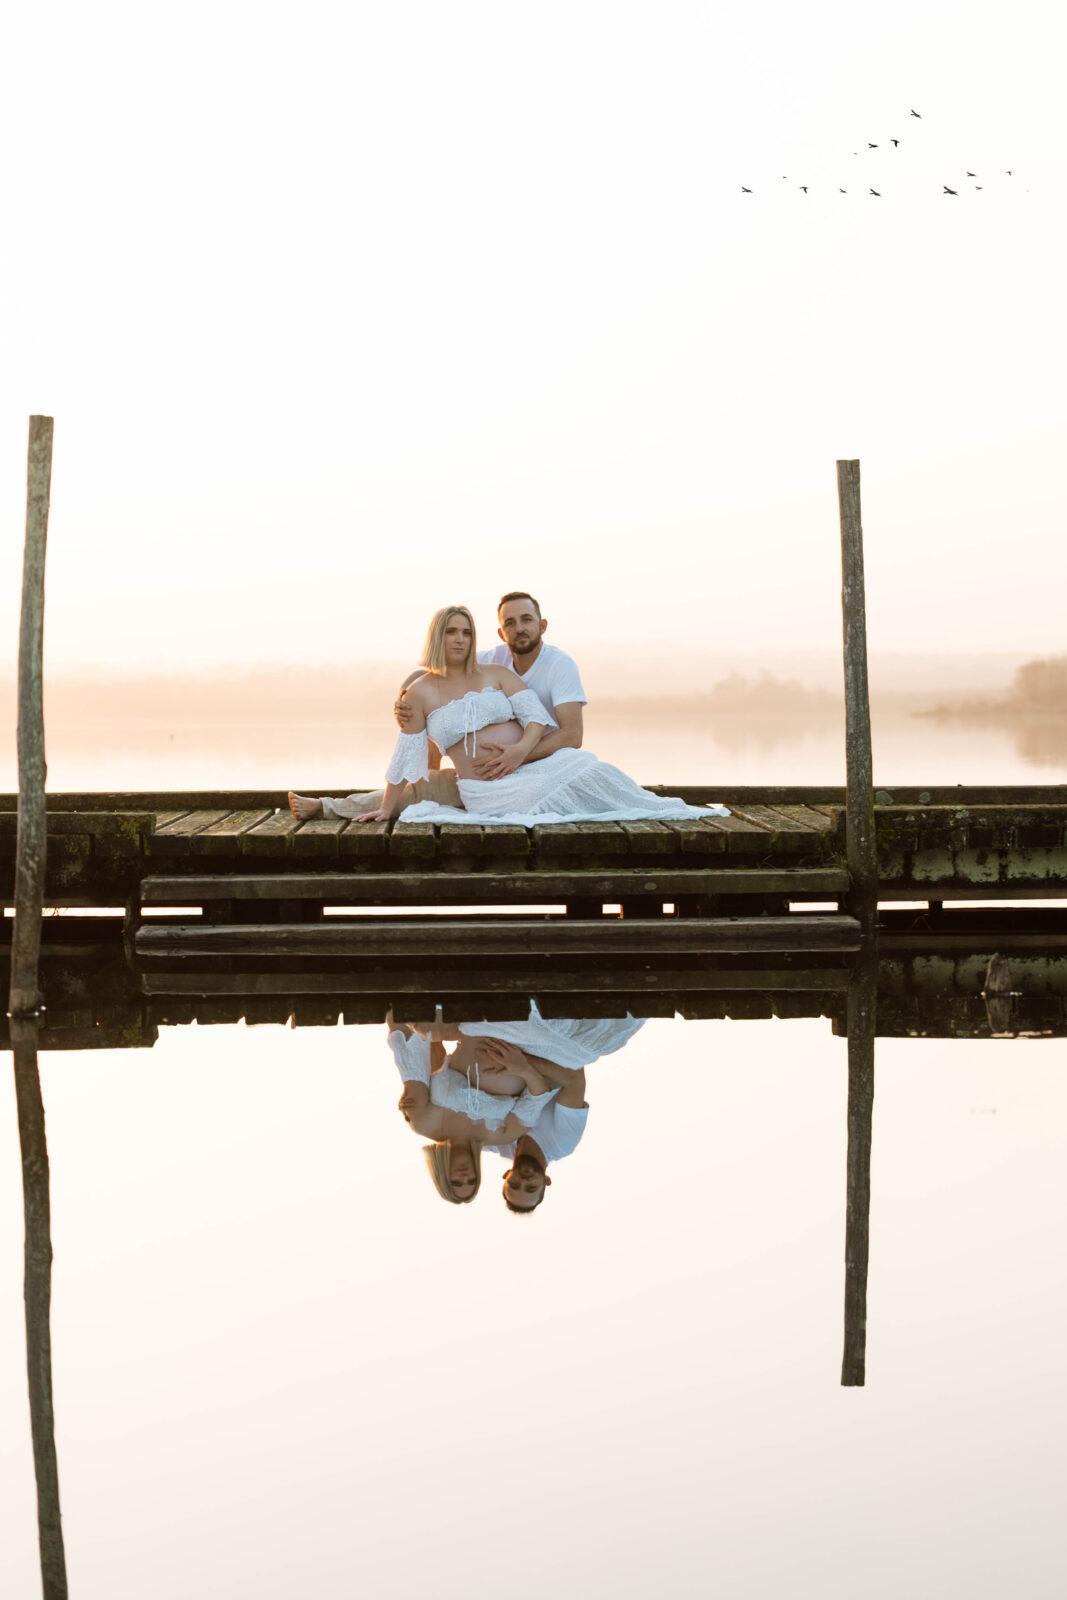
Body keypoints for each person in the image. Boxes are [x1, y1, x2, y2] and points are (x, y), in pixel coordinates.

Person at [348, 604, 729, 826]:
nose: (460, 639)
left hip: (530, 764)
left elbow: (537, 719)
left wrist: (520, 752)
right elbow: (405, 756)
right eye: (451, 632)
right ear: (437, 638)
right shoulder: (420, 692)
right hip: (490, 789)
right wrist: (386, 808)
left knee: (590, 766)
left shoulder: (496, 673)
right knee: (555, 788)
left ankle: (659, 810)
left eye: (466, 632)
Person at [288, 590, 586, 821]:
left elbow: (571, 736)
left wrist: (515, 756)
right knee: (418, 789)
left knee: (425, 789)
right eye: (510, 622)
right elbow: (441, 673)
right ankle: (327, 807)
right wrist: (404, 698)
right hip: (478, 779)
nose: (519, 628)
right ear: (500, 632)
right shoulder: (492, 660)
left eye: (527, 620)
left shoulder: (558, 666)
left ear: (542, 625)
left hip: (536, 769)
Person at [461, 1004, 645, 1213]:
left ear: (506, 1176)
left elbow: (453, 1128)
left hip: (506, 1044)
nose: (523, 1180)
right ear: (546, 1181)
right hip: (554, 1051)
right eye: (531, 1188)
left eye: (514, 1185)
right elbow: (575, 1079)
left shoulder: (493, 1142)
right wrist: (523, 1064)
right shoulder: (562, 1142)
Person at [387, 1011, 562, 1205]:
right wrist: (522, 1068)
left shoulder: (424, 1122)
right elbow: (539, 1094)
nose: (464, 1176)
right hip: (524, 1040)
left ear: (442, 1176)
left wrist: (410, 1087)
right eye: (471, 1181)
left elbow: (413, 1047)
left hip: (475, 1024)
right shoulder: (503, 1135)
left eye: (456, 1182)